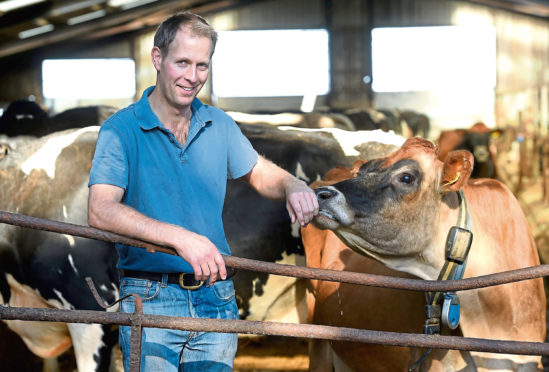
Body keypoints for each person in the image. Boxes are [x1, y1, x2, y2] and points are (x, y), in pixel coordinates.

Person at [87, 10, 318, 372]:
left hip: (216, 296)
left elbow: (257, 171)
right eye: (183, 63)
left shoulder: (218, 123)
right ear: (158, 58)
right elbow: (101, 210)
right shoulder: (121, 130)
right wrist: (181, 238)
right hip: (151, 297)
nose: (193, 77)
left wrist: (292, 184)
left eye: (202, 66)